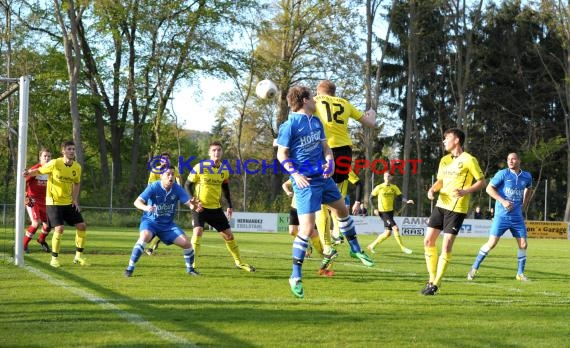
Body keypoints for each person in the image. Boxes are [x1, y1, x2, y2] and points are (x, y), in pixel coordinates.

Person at [276, 85, 373, 298]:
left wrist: (329, 161)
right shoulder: (290, 125)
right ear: (304, 101)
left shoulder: (317, 121)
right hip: (306, 182)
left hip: (323, 177)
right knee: (307, 228)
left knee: (342, 210)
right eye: (312, 97)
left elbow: (326, 148)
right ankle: (295, 276)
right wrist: (295, 174)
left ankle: (355, 249)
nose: (316, 100)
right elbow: (281, 155)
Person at [313, 80, 376, 269]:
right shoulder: (345, 103)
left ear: (319, 91)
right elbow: (370, 123)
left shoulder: (314, 101)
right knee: (336, 204)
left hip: (326, 152)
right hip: (345, 155)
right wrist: (372, 113)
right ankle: (352, 245)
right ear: (334, 92)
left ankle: (327, 248)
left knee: (321, 206)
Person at [421, 128, 486, 295]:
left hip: (457, 208)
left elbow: (481, 182)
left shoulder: (469, 160)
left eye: (446, 138)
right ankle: (431, 278)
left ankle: (436, 283)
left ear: (456, 140)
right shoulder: (444, 160)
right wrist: (432, 190)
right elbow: (440, 181)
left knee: (447, 244)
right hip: (441, 205)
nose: (444, 141)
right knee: (428, 241)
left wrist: (465, 191)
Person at [184, 141, 255, 273]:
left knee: (229, 236)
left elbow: (225, 188)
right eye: (214, 150)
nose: (216, 152)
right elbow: (187, 184)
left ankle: (239, 262)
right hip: (200, 207)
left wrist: (229, 205)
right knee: (198, 231)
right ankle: (192, 265)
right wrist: (192, 202)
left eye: (219, 150)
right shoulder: (200, 167)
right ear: (209, 153)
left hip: (216, 209)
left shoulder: (224, 169)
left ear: (222, 153)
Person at [124, 166, 201, 277]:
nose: (171, 177)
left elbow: (189, 203)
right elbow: (137, 202)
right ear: (161, 176)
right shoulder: (154, 186)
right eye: (168, 174)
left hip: (167, 226)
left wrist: (194, 206)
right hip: (150, 222)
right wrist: (146, 208)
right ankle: (130, 268)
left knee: (187, 243)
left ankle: (190, 270)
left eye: (173, 174)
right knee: (145, 236)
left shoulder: (177, 188)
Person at [467, 152, 533, 282]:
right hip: (501, 216)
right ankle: (474, 268)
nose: (510, 161)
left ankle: (520, 274)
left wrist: (524, 205)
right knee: (492, 243)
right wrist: (503, 201)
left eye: (513, 159)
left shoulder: (527, 176)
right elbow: (489, 189)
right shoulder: (502, 174)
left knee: (523, 244)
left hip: (517, 217)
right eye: (508, 159)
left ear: (519, 160)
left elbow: (529, 189)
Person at [23, 140, 88, 268]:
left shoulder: (77, 167)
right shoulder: (55, 163)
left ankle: (78, 257)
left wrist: (74, 199)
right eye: (69, 149)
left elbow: (77, 183)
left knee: (82, 226)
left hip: (68, 202)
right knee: (59, 228)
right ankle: (54, 258)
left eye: (73, 149)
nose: (71, 151)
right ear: (63, 151)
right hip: (53, 202)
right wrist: (28, 173)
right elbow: (39, 171)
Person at [282, 179, 328, 272]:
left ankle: (326, 255)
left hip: (308, 207)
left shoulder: (314, 176)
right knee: (292, 231)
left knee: (313, 234)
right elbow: (285, 184)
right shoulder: (296, 175)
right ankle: (307, 246)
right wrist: (288, 192)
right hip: (295, 207)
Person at [145, 152, 182, 256]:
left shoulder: (174, 169)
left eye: (167, 158)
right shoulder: (155, 170)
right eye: (163, 159)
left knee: (165, 222)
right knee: (155, 222)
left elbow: (178, 178)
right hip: (157, 199)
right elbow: (150, 184)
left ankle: (151, 246)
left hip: (169, 199)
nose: (165, 160)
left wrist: (179, 190)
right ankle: (151, 242)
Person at [367, 172, 414, 255]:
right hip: (383, 212)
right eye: (386, 176)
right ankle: (402, 247)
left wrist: (407, 201)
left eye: (389, 176)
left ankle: (371, 246)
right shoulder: (379, 187)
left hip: (390, 212)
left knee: (387, 233)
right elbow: (370, 198)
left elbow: (400, 197)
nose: (387, 177)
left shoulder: (394, 187)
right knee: (395, 228)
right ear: (384, 177)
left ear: (391, 178)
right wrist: (374, 209)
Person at [23, 148, 52, 253]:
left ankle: (41, 240)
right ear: (40, 158)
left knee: (49, 224)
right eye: (45, 156)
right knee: (36, 222)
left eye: (49, 156)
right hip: (32, 199)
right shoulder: (35, 169)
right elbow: (23, 181)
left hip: (46, 201)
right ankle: (23, 245)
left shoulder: (51, 170)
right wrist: (25, 196)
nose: (47, 158)